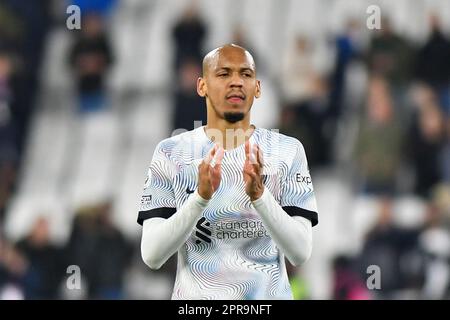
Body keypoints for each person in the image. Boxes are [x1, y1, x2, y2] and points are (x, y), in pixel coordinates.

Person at [138, 44, 319, 300]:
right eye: (223, 74)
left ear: (257, 87)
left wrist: (260, 197)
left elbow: (300, 253)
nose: (236, 82)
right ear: (201, 86)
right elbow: (152, 255)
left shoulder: (287, 151)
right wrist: (199, 198)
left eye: (245, 74)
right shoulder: (171, 153)